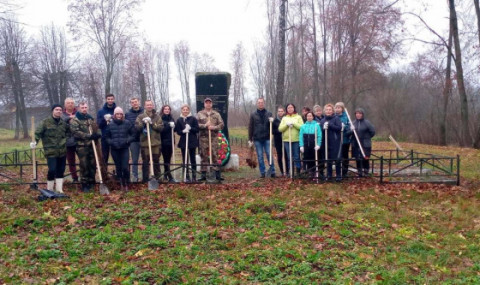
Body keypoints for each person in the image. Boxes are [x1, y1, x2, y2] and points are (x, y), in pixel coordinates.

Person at [33, 104, 69, 193]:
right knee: (52, 170)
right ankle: (49, 189)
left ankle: (59, 189)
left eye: (60, 110)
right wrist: (35, 142)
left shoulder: (63, 123)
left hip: (62, 151)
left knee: (61, 170)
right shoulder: (45, 122)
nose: (59, 111)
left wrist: (65, 140)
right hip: (51, 151)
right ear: (53, 111)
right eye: (57, 109)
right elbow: (37, 133)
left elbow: (68, 133)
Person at [70, 102, 102, 192]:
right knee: (84, 165)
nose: (84, 109)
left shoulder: (90, 118)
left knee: (92, 164)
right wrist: (88, 136)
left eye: (85, 107)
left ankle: (92, 182)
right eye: (82, 107)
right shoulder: (76, 120)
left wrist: (97, 134)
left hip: (92, 145)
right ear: (79, 108)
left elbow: (96, 128)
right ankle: (84, 183)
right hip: (82, 146)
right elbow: (75, 132)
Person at [105, 107, 135, 191]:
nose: (119, 115)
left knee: (125, 167)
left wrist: (127, 141)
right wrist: (111, 142)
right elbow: (106, 137)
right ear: (114, 115)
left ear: (123, 115)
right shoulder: (110, 124)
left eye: (120, 114)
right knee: (118, 167)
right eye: (117, 114)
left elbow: (133, 135)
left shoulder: (127, 123)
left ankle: (127, 182)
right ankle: (121, 183)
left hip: (124, 148)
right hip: (114, 149)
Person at [135, 100, 164, 182]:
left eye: (150, 105)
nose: (149, 106)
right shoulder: (140, 117)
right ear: (144, 106)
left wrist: (152, 123)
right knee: (145, 162)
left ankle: (157, 178)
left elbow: (161, 128)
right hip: (145, 143)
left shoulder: (157, 117)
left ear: (153, 106)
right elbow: (137, 128)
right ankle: (145, 179)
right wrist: (144, 123)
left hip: (155, 143)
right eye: (147, 105)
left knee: (156, 161)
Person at [196, 97, 225, 181]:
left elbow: (221, 125)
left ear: (211, 104)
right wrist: (204, 125)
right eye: (206, 103)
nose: (208, 104)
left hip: (213, 138)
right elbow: (196, 124)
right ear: (204, 104)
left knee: (215, 155)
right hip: (203, 138)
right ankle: (203, 175)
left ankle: (217, 175)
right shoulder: (200, 114)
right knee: (203, 156)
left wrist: (214, 127)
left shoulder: (216, 114)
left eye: (209, 103)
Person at [248, 98, 275, 178]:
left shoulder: (269, 113)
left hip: (267, 138)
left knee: (269, 154)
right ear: (257, 104)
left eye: (262, 102)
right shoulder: (253, 114)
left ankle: (272, 171)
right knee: (260, 156)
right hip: (257, 139)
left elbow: (272, 127)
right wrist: (250, 139)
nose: (260, 104)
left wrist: (272, 122)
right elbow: (250, 127)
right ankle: (262, 172)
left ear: (264, 103)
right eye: (259, 103)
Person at [175, 104, 199, 182]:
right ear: (182, 110)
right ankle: (186, 175)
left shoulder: (193, 119)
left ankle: (194, 176)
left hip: (192, 141)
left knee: (192, 159)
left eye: (186, 109)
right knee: (185, 159)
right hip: (183, 141)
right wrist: (183, 131)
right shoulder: (179, 120)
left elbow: (197, 129)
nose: (185, 111)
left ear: (189, 110)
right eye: (184, 109)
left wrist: (190, 128)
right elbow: (178, 131)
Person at [278, 103, 303, 177]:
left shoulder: (298, 117)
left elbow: (302, 127)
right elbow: (280, 129)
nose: (290, 109)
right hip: (287, 140)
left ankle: (298, 171)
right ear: (286, 109)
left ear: (294, 108)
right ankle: (290, 171)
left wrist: (294, 123)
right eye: (288, 108)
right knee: (289, 156)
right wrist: (286, 125)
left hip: (296, 139)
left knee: (296, 156)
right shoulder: (284, 118)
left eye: (291, 107)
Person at [319, 104, 342, 181]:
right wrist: (323, 128)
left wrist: (330, 125)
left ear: (332, 111)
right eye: (327, 110)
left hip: (335, 142)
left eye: (330, 110)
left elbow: (339, 128)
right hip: (326, 142)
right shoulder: (322, 120)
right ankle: (329, 175)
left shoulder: (336, 118)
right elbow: (320, 132)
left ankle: (338, 175)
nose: (328, 111)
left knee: (337, 159)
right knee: (328, 159)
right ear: (324, 111)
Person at [350, 108, 375, 177]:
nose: (358, 115)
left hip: (365, 144)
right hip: (356, 143)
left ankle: (366, 171)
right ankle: (359, 171)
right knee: (358, 158)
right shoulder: (353, 123)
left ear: (362, 114)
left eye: (360, 113)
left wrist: (367, 138)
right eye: (357, 113)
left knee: (365, 158)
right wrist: (351, 130)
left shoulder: (367, 123)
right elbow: (349, 133)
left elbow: (372, 131)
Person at [125, 97, 144, 182]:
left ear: (139, 102)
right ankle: (135, 176)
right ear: (131, 104)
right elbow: (126, 126)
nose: (134, 103)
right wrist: (129, 137)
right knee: (135, 159)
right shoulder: (128, 114)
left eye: (136, 102)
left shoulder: (144, 112)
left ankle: (145, 176)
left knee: (145, 159)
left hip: (144, 139)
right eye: (132, 102)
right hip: (134, 139)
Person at [299, 112, 322, 178]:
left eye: (310, 116)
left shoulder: (316, 125)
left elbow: (319, 136)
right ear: (306, 117)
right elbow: (300, 136)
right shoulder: (303, 126)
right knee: (307, 159)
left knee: (314, 159)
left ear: (313, 117)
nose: (309, 117)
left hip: (314, 145)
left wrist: (318, 144)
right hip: (306, 145)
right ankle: (310, 172)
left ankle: (315, 172)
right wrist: (301, 145)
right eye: (308, 116)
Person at [62, 97, 79, 182]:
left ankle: (84, 177)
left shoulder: (78, 113)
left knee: (83, 160)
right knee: (71, 160)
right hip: (68, 141)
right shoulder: (62, 114)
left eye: (72, 103)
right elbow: (61, 124)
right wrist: (69, 118)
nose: (70, 104)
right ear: (65, 105)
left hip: (79, 140)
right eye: (68, 103)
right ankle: (74, 177)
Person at [96, 93, 116, 165]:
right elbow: (99, 125)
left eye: (111, 99)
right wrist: (104, 119)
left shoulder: (117, 110)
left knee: (116, 157)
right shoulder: (101, 111)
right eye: (108, 99)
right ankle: (104, 174)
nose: (110, 100)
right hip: (105, 137)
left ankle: (118, 174)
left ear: (114, 99)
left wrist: (114, 118)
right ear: (106, 100)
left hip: (115, 137)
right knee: (104, 157)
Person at [160, 104, 177, 183]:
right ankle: (169, 175)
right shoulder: (160, 118)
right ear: (163, 110)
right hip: (163, 141)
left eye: (168, 109)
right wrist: (168, 125)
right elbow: (162, 130)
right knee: (165, 159)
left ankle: (165, 174)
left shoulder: (172, 118)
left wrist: (174, 126)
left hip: (171, 141)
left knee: (168, 159)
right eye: (165, 109)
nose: (167, 110)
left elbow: (175, 129)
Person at [335, 102, 351, 177]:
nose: (337, 109)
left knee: (345, 155)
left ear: (342, 108)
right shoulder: (334, 116)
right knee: (337, 156)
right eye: (336, 108)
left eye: (339, 107)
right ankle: (338, 171)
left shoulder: (346, 116)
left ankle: (344, 171)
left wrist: (346, 127)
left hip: (345, 139)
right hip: (336, 139)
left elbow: (349, 127)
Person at [272, 106, 286, 177]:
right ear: (277, 112)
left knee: (286, 156)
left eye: (281, 111)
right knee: (280, 156)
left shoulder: (286, 119)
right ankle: (282, 171)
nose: (280, 112)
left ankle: (287, 170)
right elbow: (272, 131)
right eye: (279, 111)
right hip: (278, 141)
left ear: (283, 112)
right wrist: (279, 130)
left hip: (286, 140)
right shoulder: (274, 121)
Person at [313, 104, 325, 178]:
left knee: (323, 157)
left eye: (319, 110)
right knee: (317, 156)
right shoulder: (314, 119)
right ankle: (316, 172)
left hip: (324, 139)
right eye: (317, 111)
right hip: (316, 140)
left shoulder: (324, 118)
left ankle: (322, 171)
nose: (318, 112)